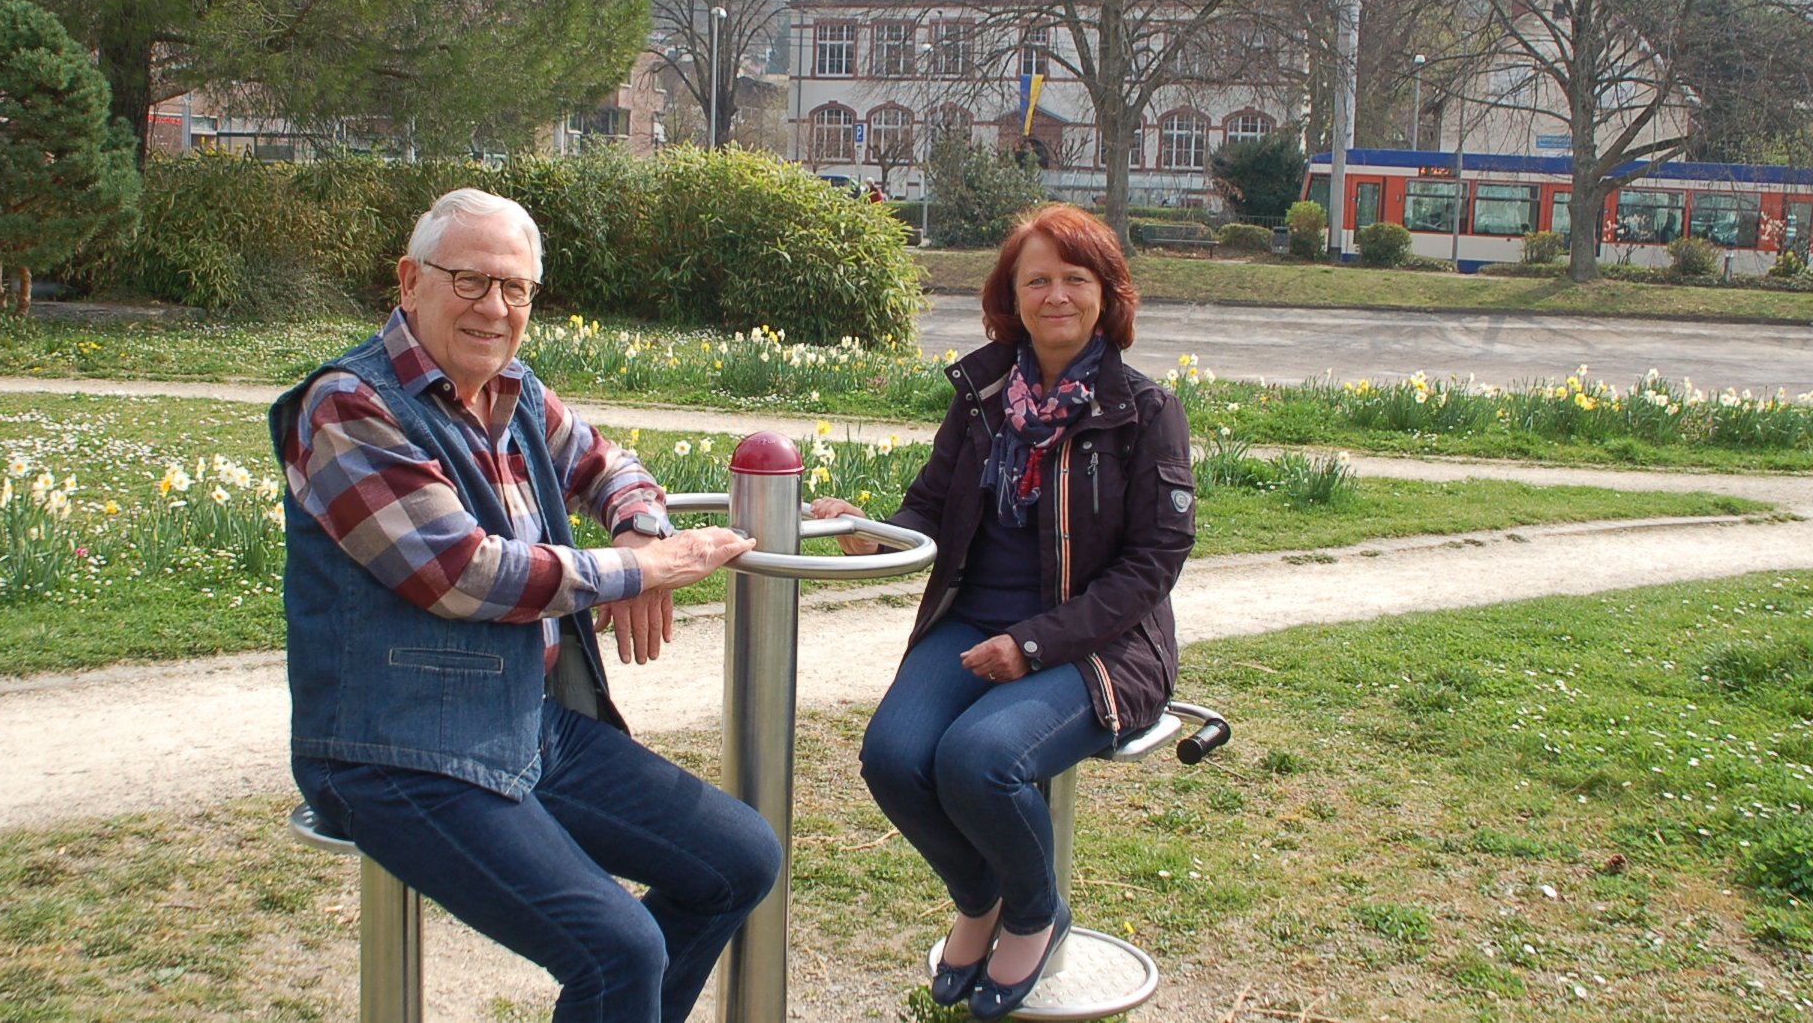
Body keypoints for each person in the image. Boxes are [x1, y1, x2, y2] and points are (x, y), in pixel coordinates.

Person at [270, 187, 781, 1023]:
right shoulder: (349, 407)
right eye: (470, 281)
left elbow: (611, 465)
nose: (495, 308)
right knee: (620, 949)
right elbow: (464, 573)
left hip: (524, 720)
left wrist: (644, 530)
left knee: (739, 858)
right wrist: (640, 571)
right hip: (395, 750)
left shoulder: (513, 392)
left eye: (516, 289)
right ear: (409, 281)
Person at [812, 203, 1195, 1021]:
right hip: (969, 621)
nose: (1056, 295)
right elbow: (926, 509)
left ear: (1107, 294)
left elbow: (1152, 566)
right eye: (1037, 280)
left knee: (978, 760)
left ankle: (1034, 912)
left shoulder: (1145, 412)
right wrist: (868, 532)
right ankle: (982, 897)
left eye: (1075, 278)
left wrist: (1031, 643)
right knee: (893, 755)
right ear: (1011, 296)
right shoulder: (983, 397)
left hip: (1098, 644)